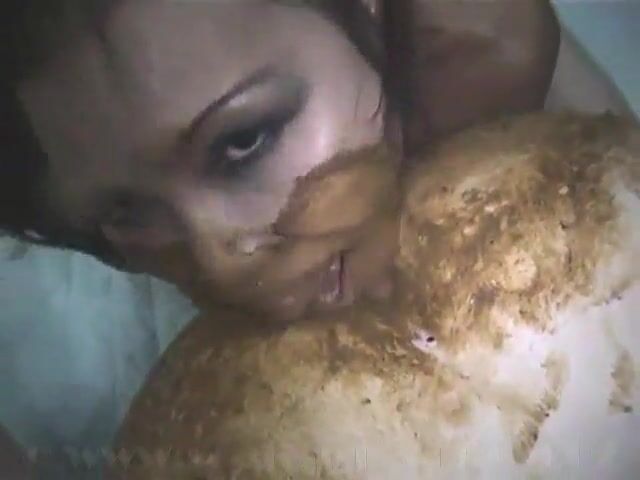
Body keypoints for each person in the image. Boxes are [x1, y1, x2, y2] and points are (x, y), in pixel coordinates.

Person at [0, 1, 635, 475]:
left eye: (243, 141)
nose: (221, 263)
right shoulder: (73, 358)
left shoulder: (521, 101)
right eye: (127, 213)